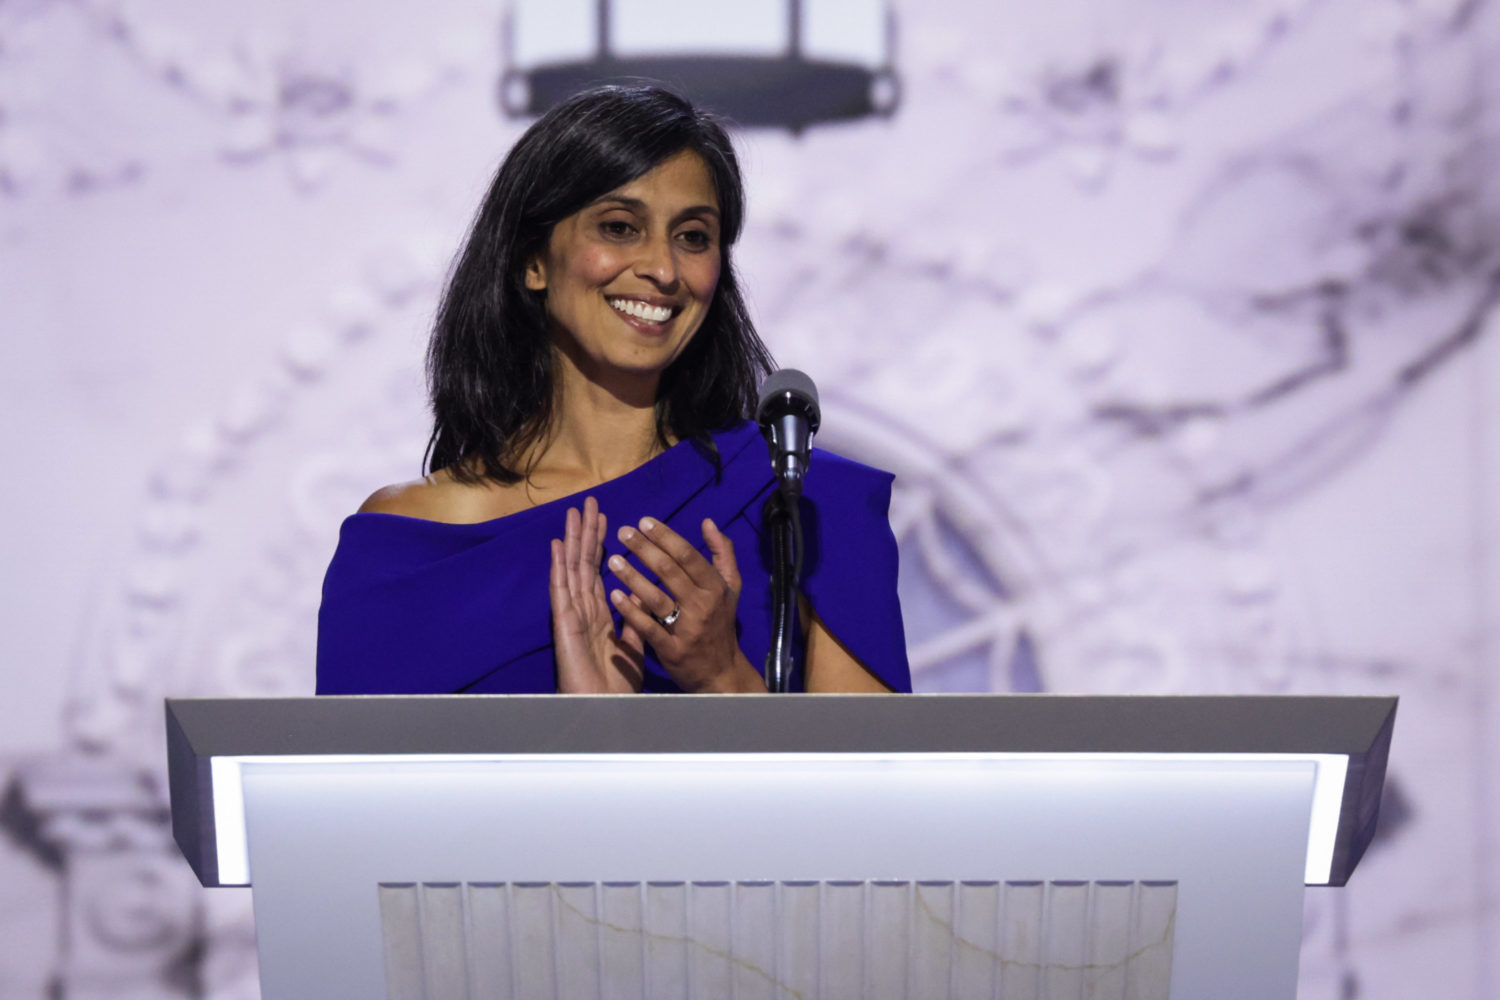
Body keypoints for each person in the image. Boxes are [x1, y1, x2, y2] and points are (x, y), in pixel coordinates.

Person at [316, 85, 910, 695]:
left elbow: (867, 789)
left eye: (693, 237)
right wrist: (588, 744)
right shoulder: (405, 548)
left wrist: (721, 678)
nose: (663, 269)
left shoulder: (806, 507)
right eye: (621, 227)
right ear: (533, 260)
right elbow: (349, 788)